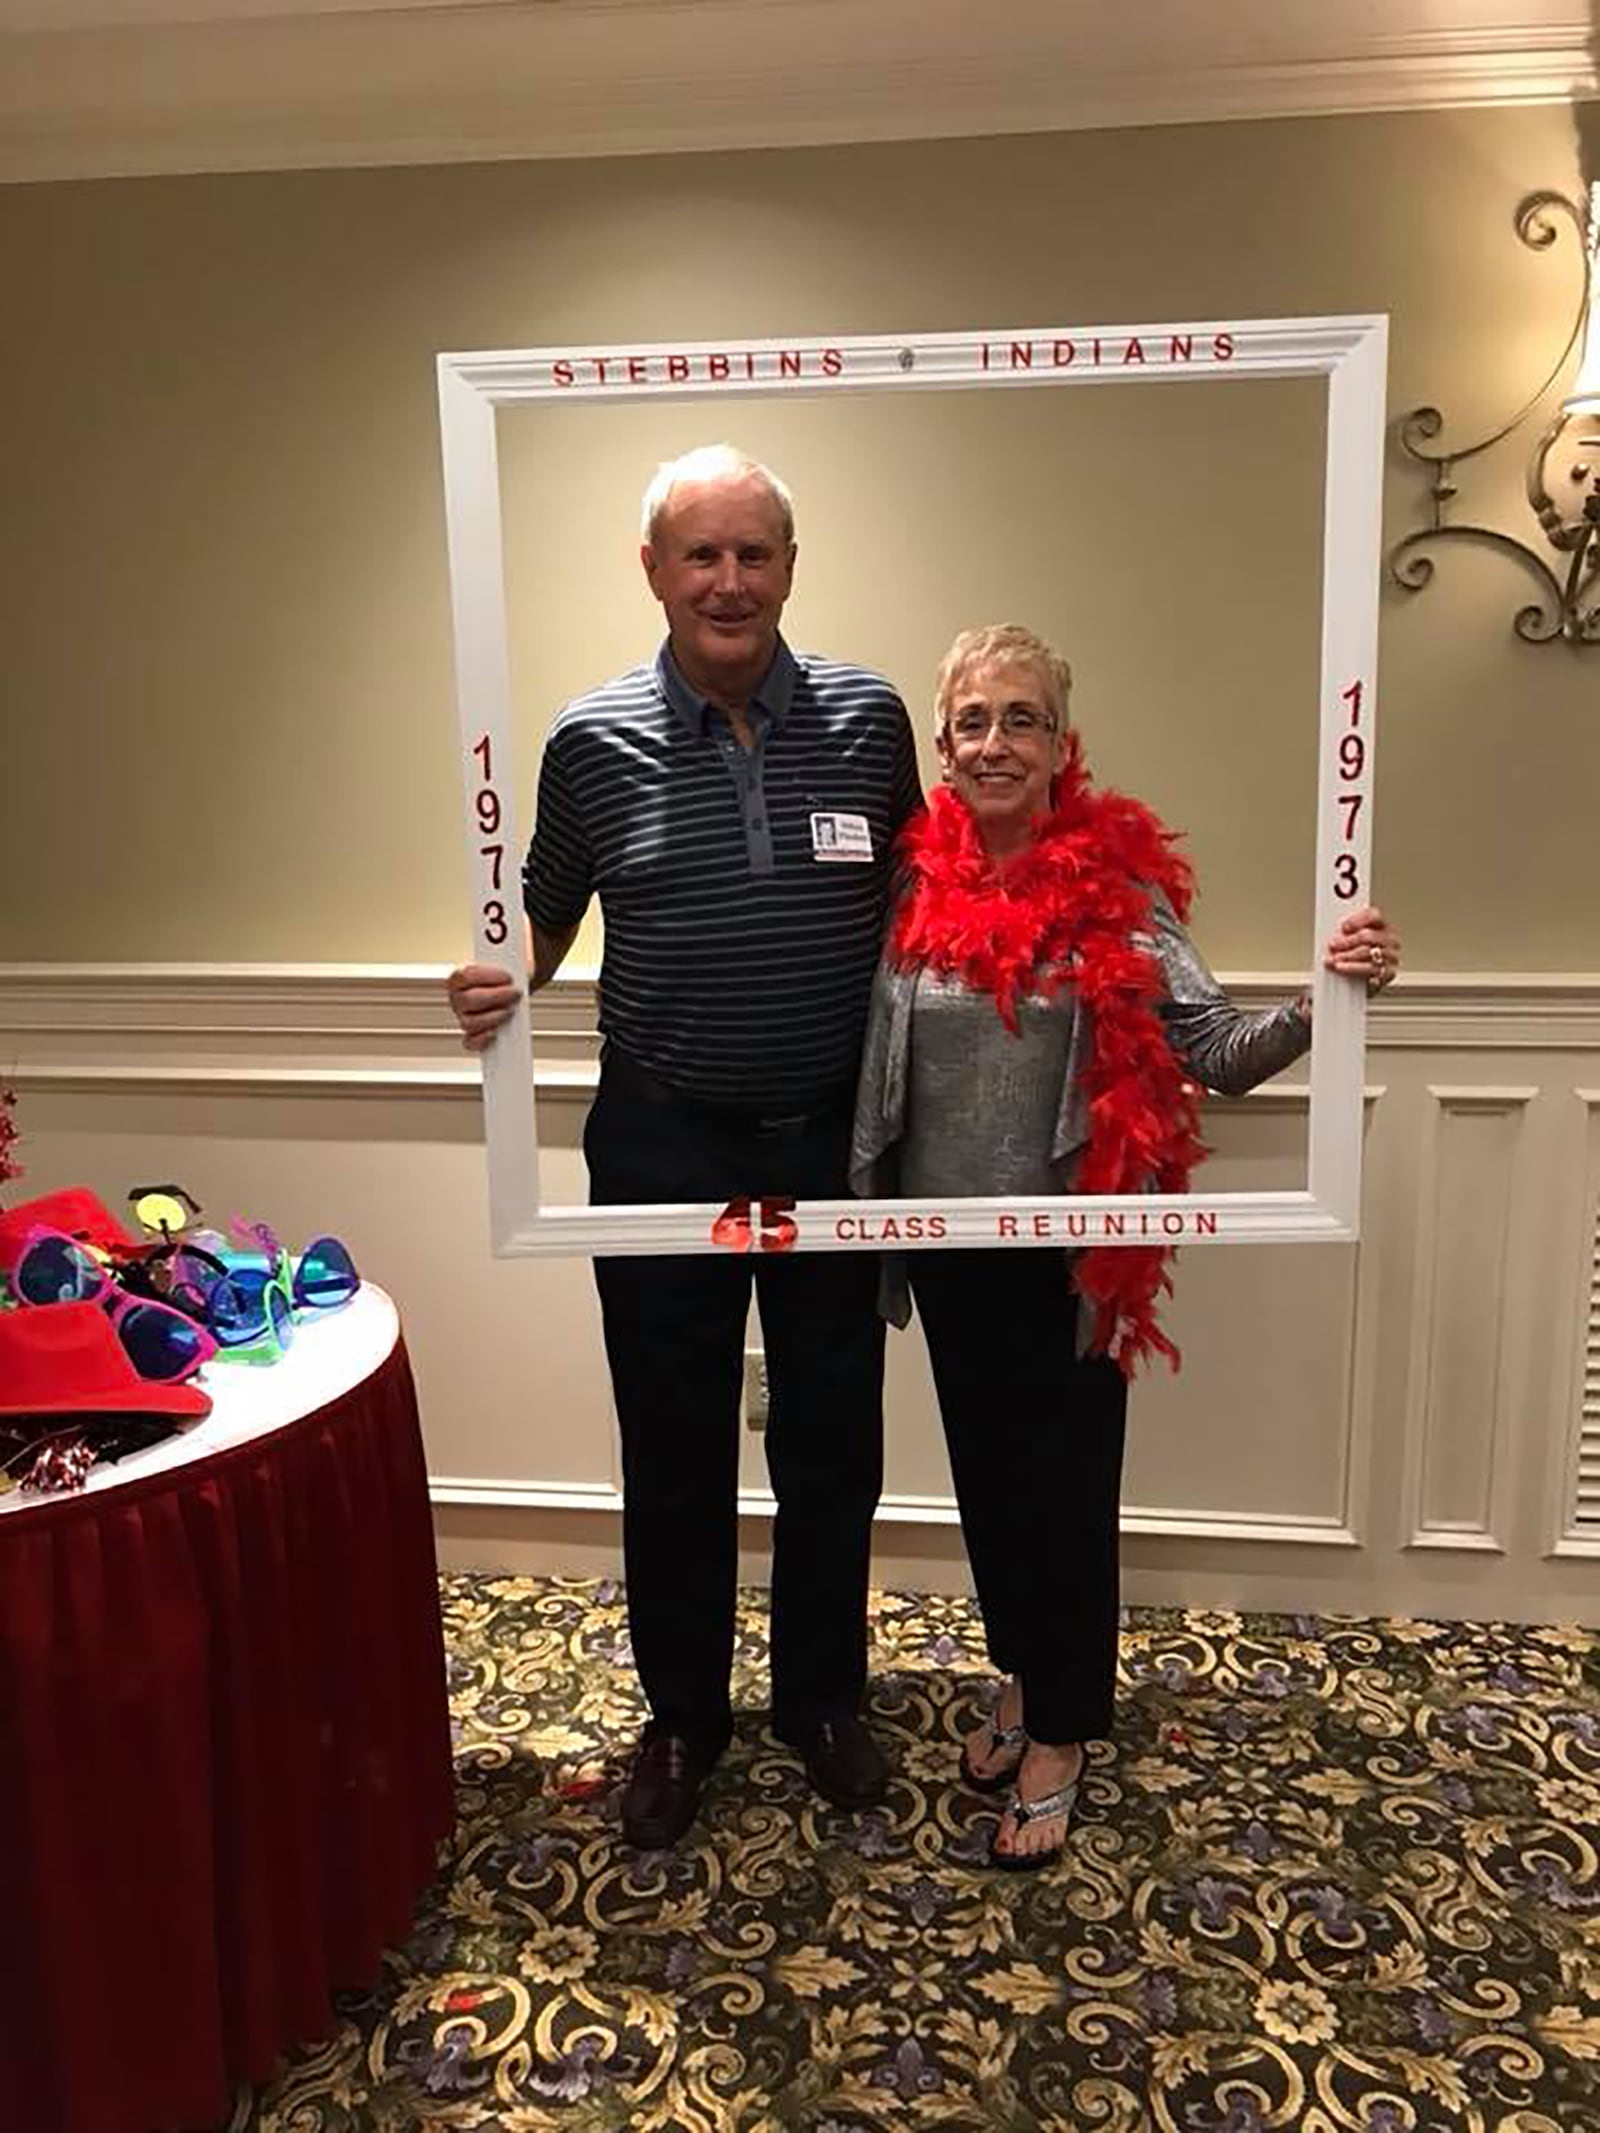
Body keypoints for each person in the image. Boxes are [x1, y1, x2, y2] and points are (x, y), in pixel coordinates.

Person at [849, 624, 1401, 1870]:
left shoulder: (1119, 889)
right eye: (974, 721)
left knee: (1064, 1488)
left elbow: (1209, 1053)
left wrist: (1330, 1002)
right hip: (944, 1242)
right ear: (943, 745)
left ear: (1060, 744)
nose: (996, 742)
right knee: (988, 1482)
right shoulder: (906, 883)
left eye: (1022, 719)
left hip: (1074, 1251)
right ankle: (1026, 1671)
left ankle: (1063, 1729)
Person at [447, 445, 923, 1848]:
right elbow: (542, 911)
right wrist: (499, 975)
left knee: (835, 1437)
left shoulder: (870, 719)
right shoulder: (590, 741)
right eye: (700, 555)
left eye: (754, 553)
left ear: (790, 566)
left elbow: (938, 890)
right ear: (654, 571)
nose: (729, 581)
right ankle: (682, 1714)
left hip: (835, 1140)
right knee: (671, 1436)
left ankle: (824, 1699)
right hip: (661, 1139)